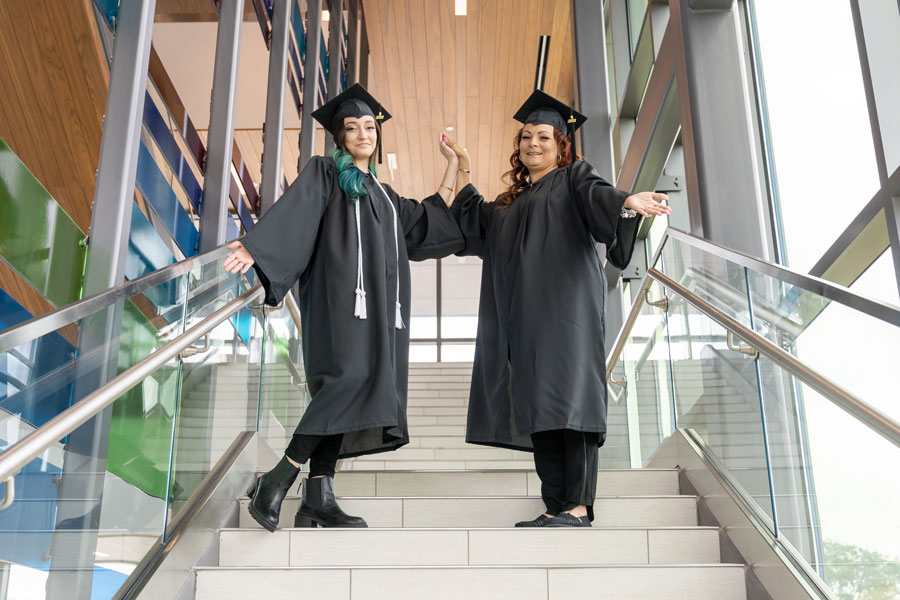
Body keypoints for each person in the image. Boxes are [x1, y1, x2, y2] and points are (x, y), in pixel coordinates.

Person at [223, 84, 464, 530]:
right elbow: (294, 213)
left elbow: (432, 219)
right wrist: (257, 249)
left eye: (369, 127)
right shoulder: (325, 174)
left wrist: (452, 165)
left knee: (352, 388)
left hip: (378, 316)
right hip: (338, 305)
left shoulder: (387, 199)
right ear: (340, 137)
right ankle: (278, 478)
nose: (362, 134)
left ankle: (319, 495)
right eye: (351, 128)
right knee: (346, 380)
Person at [447, 90, 671, 527]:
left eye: (544, 138)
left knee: (572, 405)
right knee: (540, 410)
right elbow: (474, 217)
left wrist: (626, 202)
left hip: (569, 317)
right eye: (527, 137)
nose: (532, 144)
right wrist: (462, 164)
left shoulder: (572, 179)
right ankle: (555, 505)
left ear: (560, 145)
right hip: (526, 324)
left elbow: (597, 192)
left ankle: (579, 505)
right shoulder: (509, 205)